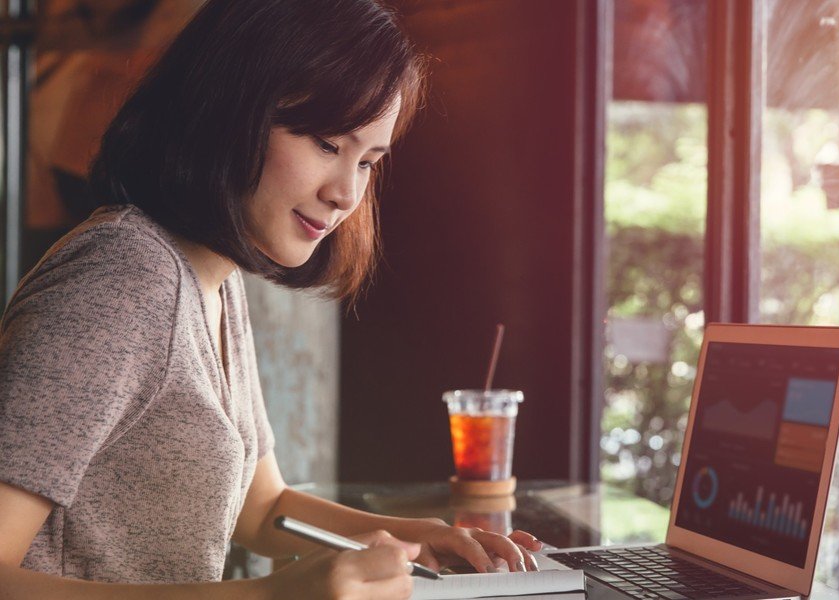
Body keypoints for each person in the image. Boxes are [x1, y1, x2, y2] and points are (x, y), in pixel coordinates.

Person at [0, 1, 542, 598]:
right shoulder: (119, 281)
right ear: (229, 109)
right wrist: (270, 596)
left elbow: (260, 508)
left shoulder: (213, 274)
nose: (346, 194)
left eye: (367, 161)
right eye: (325, 143)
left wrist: (419, 539)